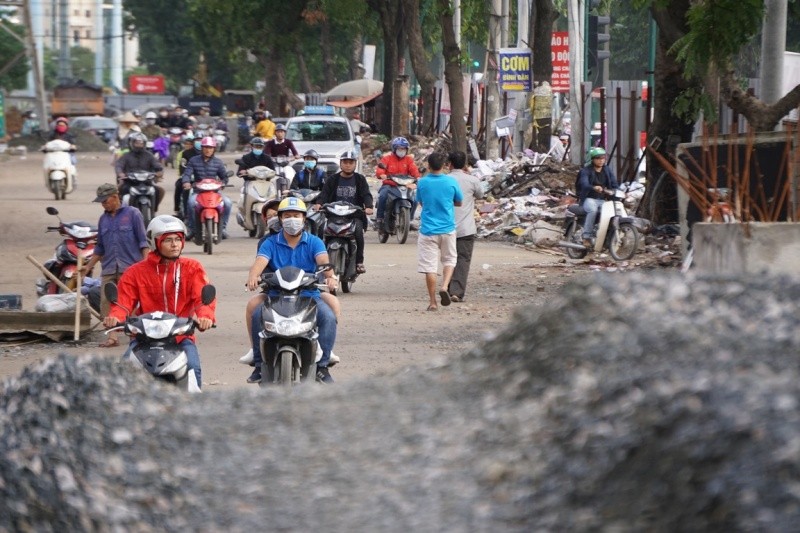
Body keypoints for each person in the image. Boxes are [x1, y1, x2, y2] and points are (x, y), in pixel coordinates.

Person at [103, 215, 215, 389]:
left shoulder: (193, 268)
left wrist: (205, 317)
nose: (175, 244)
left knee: (192, 368)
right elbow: (123, 302)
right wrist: (115, 317)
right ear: (155, 242)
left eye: (178, 239)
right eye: (168, 240)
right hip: (143, 338)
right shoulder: (135, 272)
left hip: (180, 337)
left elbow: (203, 299)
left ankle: (195, 413)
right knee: (122, 373)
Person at [245, 197, 338, 384]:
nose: (292, 219)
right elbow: (259, 263)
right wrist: (253, 277)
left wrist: (330, 277)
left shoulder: (314, 242)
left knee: (328, 315)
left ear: (304, 219)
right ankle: (258, 363)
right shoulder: (270, 243)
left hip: (308, 295)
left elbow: (323, 262)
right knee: (255, 312)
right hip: (275, 295)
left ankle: (323, 365)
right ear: (280, 219)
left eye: (296, 215)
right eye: (287, 216)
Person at [82, 183, 149, 348]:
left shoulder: (133, 214)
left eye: (105, 200)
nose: (103, 204)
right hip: (110, 268)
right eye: (101, 202)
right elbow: (100, 248)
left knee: (132, 302)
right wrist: (88, 266)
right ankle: (112, 337)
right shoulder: (103, 220)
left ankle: (136, 334)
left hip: (131, 268)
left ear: (115, 197)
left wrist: (146, 265)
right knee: (107, 302)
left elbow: (143, 243)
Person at [415, 152, 463, 311]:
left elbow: (420, 202)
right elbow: (459, 202)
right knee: (449, 260)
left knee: (430, 267)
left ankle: (432, 302)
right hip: (447, 229)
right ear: (444, 166)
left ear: (428, 166)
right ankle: (444, 287)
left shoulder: (422, 183)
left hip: (428, 230)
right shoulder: (451, 181)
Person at [313, 151, 373, 273]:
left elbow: (366, 194)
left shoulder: (360, 179)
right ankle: (318, 260)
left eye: (351, 162)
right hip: (333, 215)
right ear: (340, 164)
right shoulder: (333, 179)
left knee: (358, 234)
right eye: (345, 162)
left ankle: (359, 262)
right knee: (320, 231)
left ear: (355, 164)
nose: (348, 165)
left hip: (353, 216)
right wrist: (319, 203)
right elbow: (324, 194)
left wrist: (368, 206)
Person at [446, 151, 484, 303]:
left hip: (446, 227)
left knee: (449, 259)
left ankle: (446, 286)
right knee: (463, 259)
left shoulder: (444, 180)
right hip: (466, 228)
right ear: (465, 165)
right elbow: (481, 195)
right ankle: (456, 291)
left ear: (450, 164)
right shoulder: (472, 180)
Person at [181, 136, 232, 240]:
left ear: (214, 149)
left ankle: (222, 229)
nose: (208, 150)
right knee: (191, 203)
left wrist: (223, 183)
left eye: (210, 148)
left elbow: (224, 177)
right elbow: (187, 173)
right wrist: (186, 182)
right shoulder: (193, 160)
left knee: (227, 203)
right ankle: (192, 229)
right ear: (202, 148)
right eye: (205, 147)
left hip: (215, 193)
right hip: (198, 192)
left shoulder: (218, 162)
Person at [375, 136, 421, 226]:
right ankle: (379, 218)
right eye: (399, 148)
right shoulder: (387, 158)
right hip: (390, 185)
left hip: (405, 185)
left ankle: (409, 220)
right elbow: (380, 170)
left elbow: (414, 170)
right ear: (394, 149)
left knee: (415, 200)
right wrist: (382, 174)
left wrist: (417, 177)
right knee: (383, 196)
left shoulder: (409, 160)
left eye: (404, 149)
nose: (402, 150)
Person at [576, 147, 617, 247]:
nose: (601, 160)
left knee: (614, 211)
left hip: (603, 200)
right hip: (588, 199)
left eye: (603, 158)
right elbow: (584, 184)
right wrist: (594, 187)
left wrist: (619, 191)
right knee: (593, 210)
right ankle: (586, 237)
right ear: (592, 159)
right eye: (598, 158)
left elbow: (614, 183)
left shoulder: (607, 170)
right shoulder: (585, 171)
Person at [114, 132, 165, 212]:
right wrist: (120, 173)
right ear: (132, 143)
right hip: (129, 182)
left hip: (146, 182)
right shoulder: (126, 156)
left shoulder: (149, 155)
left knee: (160, 191)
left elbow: (157, 165)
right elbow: (119, 166)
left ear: (144, 144)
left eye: (141, 143)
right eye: (137, 143)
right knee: (116, 192)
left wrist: (159, 172)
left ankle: (154, 209)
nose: (139, 145)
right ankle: (119, 211)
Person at [175, 132, 198, 217]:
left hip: (200, 179)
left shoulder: (204, 153)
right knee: (179, 186)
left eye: (190, 144)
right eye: (186, 144)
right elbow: (181, 166)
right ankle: (181, 211)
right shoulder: (184, 153)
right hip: (187, 177)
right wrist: (184, 176)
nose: (188, 145)